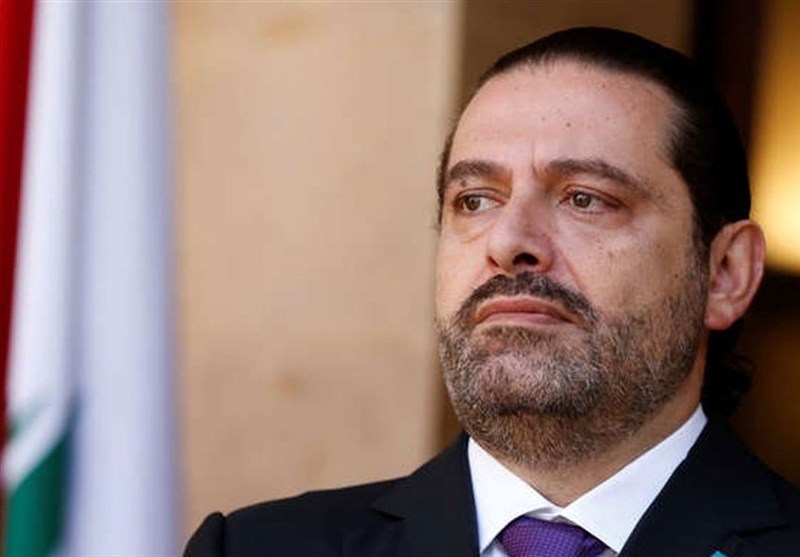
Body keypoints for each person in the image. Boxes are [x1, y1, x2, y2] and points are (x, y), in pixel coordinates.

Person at [184, 27, 800, 557]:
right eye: (475, 200)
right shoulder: (253, 548)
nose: (507, 242)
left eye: (585, 198)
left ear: (725, 272)